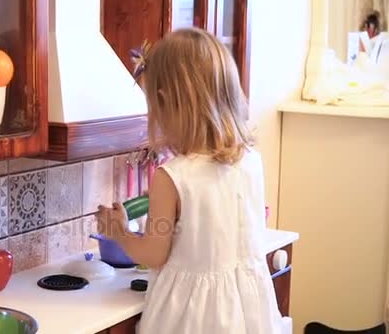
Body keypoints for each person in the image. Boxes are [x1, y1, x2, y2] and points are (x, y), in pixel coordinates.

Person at [95, 28, 284, 333]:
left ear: (166, 101)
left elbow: (154, 255)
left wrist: (119, 231)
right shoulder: (250, 161)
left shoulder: (173, 176)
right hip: (248, 311)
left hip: (192, 317)